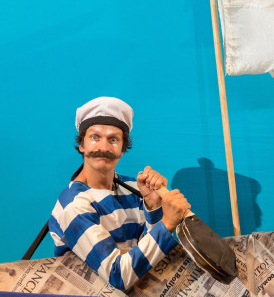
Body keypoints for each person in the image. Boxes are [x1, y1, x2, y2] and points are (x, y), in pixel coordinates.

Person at [48, 96, 191, 291]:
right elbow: (118, 275)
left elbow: (148, 255)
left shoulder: (134, 188)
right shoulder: (74, 205)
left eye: (113, 140)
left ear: (123, 149)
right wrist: (167, 224)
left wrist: (153, 207)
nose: (104, 147)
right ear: (82, 145)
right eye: (95, 137)